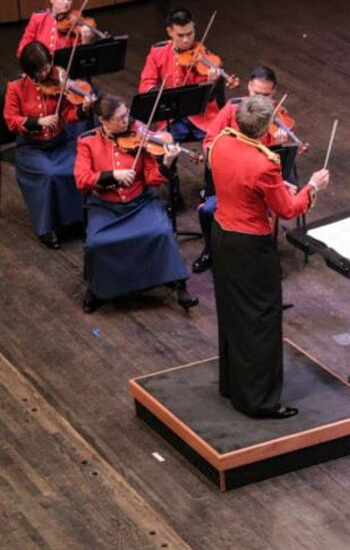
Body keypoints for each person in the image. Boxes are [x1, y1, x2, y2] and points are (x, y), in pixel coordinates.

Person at [208, 95, 330, 419]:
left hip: (221, 235)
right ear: (264, 130)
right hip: (250, 246)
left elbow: (241, 183)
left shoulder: (220, 141)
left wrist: (276, 185)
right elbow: (288, 210)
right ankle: (260, 400)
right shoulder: (265, 162)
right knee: (261, 319)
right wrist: (312, 187)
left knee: (233, 312)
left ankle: (232, 383)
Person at [74, 95, 195, 313]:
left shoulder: (138, 135)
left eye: (126, 114)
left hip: (139, 201)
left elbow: (151, 178)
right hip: (106, 206)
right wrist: (112, 176)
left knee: (161, 232)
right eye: (120, 119)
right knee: (95, 243)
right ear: (102, 120)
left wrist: (166, 163)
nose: (127, 121)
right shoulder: (87, 142)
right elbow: (81, 179)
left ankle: (179, 283)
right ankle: (97, 288)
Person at [191, 66, 297, 273]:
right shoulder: (232, 108)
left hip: (262, 185)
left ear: (274, 93)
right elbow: (209, 140)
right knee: (207, 211)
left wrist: (280, 146)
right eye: (256, 94)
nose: (261, 100)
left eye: (266, 95)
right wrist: (221, 156)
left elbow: (280, 166)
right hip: (231, 183)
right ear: (248, 88)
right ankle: (211, 249)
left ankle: (266, 255)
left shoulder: (279, 119)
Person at [4, 41, 92, 248]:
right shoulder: (16, 88)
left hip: (60, 142)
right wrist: (37, 122)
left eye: (47, 66)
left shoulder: (57, 79)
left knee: (76, 169)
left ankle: (78, 218)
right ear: (29, 70)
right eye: (41, 70)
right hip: (31, 148)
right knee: (50, 175)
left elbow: (68, 114)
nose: (46, 72)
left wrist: (82, 110)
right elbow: (11, 120)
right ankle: (46, 227)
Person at [139, 8, 237, 144]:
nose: (186, 40)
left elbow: (208, 99)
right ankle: (168, 165)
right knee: (161, 145)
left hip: (203, 117)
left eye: (190, 33)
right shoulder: (158, 52)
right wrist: (162, 97)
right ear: (170, 32)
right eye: (180, 35)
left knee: (219, 144)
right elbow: (146, 82)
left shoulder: (205, 58)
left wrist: (211, 83)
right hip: (172, 117)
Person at [16, 0, 95, 57]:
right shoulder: (38, 18)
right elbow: (22, 50)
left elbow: (79, 56)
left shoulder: (75, 20)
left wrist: (85, 41)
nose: (66, 2)